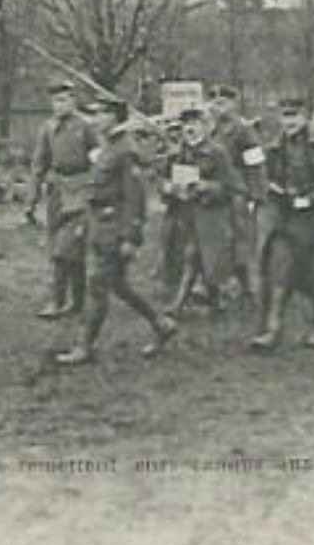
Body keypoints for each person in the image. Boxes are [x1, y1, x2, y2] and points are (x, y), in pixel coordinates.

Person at [55, 97, 179, 365]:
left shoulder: (125, 150)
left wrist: (130, 237)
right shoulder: (109, 147)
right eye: (94, 114)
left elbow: (135, 199)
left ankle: (84, 346)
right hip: (100, 225)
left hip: (114, 228)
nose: (95, 119)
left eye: (101, 114)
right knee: (117, 285)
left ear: (115, 117)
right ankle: (161, 323)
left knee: (97, 286)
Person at [252, 98, 314, 350]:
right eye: (285, 116)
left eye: (294, 115)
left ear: (306, 117)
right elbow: (265, 178)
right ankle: (273, 330)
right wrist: (271, 191)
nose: (289, 122)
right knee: (279, 271)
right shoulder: (274, 147)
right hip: (286, 218)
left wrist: (312, 199)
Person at [27, 81, 98, 319]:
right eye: (56, 100)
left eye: (65, 99)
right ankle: (77, 302)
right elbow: (38, 165)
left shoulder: (87, 126)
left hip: (81, 191)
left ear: (74, 101)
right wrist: (31, 199)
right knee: (62, 246)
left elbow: (100, 159)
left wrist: (96, 191)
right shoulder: (47, 129)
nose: (60, 105)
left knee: (65, 250)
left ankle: (57, 301)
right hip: (57, 192)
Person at [159, 107, 238, 317]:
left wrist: (206, 187)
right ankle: (215, 300)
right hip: (181, 214)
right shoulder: (175, 153)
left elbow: (231, 186)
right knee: (193, 258)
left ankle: (178, 304)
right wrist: (167, 188)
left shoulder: (217, 153)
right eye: (186, 125)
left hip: (209, 215)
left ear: (206, 127)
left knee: (193, 256)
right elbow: (162, 179)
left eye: (195, 124)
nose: (190, 129)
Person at [207, 84, 267, 307]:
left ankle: (252, 291)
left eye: (224, 98)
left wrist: (256, 195)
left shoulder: (243, 130)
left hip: (239, 194)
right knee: (222, 243)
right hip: (218, 194)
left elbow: (256, 164)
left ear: (234, 103)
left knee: (242, 243)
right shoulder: (211, 130)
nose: (218, 102)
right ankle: (230, 289)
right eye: (213, 98)